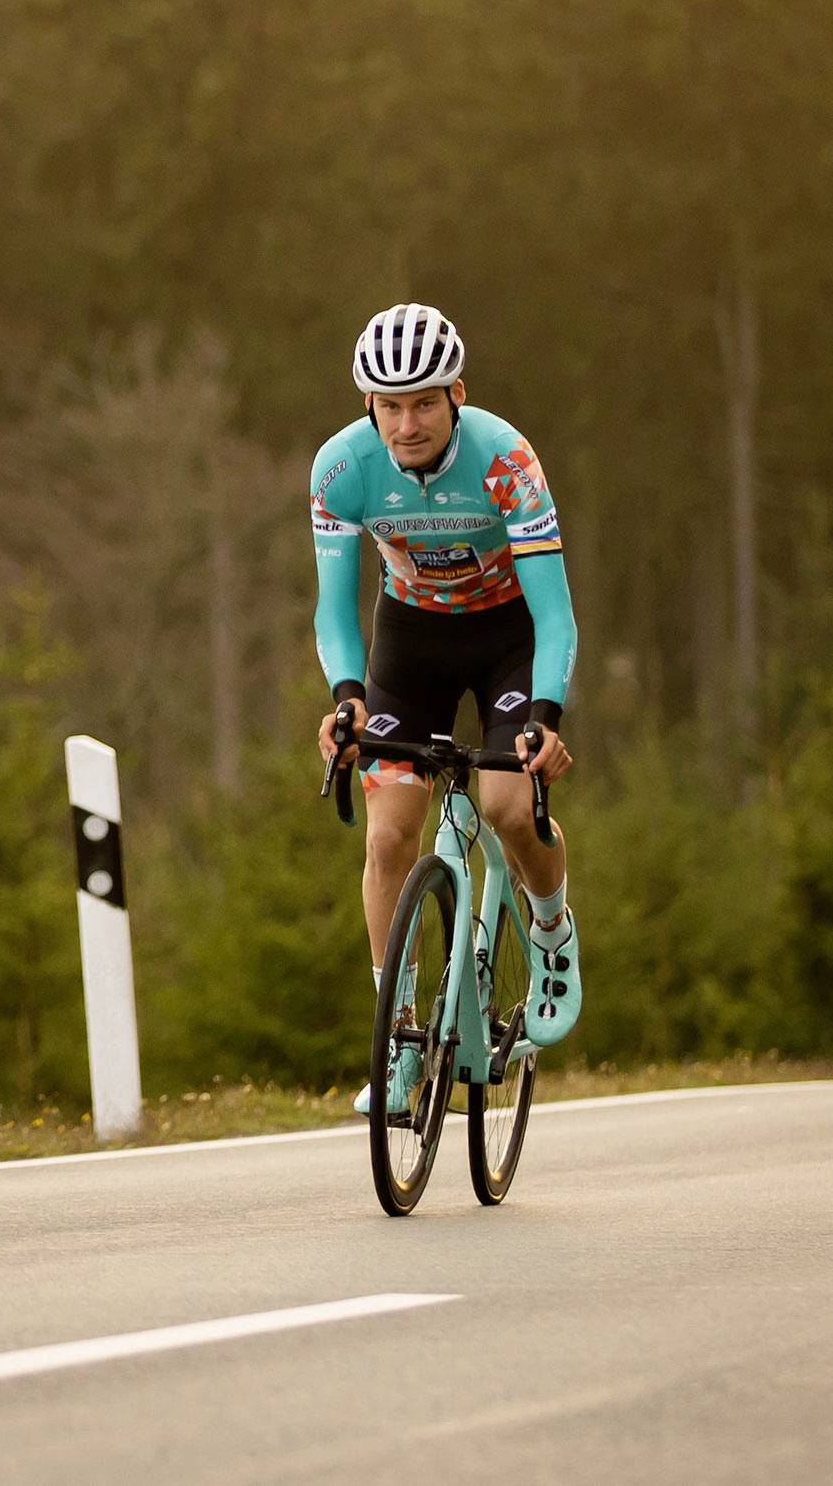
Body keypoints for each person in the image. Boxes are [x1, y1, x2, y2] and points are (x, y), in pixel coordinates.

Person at [309, 303, 582, 1114]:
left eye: (424, 402)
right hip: (411, 642)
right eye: (389, 406)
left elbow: (556, 614)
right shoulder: (341, 469)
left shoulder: (507, 462)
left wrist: (546, 718)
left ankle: (550, 929)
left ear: (457, 393)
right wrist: (348, 702)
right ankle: (397, 1045)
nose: (406, 423)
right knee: (390, 832)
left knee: (505, 803)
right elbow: (332, 612)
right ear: (368, 406)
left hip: (508, 636)